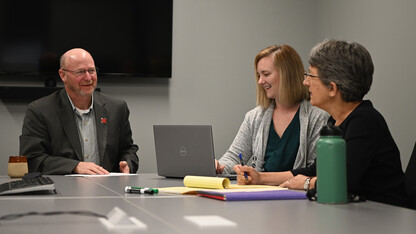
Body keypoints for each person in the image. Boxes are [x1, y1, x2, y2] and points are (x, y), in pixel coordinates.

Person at [235, 39, 408, 207]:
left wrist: (307, 183)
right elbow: (315, 170)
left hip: (382, 218)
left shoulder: (365, 121)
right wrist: (260, 178)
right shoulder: (337, 122)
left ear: (332, 88)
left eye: (310, 75)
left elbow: (342, 182)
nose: (305, 82)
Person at [19, 48, 139, 175]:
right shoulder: (40, 110)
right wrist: (75, 166)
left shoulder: (116, 108)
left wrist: (127, 164)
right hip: (62, 190)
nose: (88, 78)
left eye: (91, 71)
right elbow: (32, 159)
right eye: (80, 72)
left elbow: (128, 150)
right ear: (63, 75)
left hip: (108, 188)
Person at [216, 44, 329, 175]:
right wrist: (219, 166)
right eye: (259, 75)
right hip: (260, 193)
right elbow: (234, 156)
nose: (260, 81)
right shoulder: (254, 117)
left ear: (288, 75)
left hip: (298, 194)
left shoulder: (318, 117)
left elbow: (316, 169)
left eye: (266, 74)